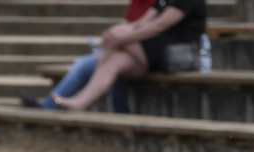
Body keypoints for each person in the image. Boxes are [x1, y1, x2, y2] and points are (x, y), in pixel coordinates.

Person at [52, 0, 207, 111]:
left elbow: (158, 26)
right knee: (115, 61)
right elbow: (140, 23)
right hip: (156, 51)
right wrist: (115, 32)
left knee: (117, 39)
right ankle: (81, 102)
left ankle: (99, 61)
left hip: (176, 54)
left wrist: (122, 38)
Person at [20, 0, 156, 113]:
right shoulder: (137, 2)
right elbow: (127, 25)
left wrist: (120, 37)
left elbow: (149, 29)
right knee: (84, 63)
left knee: (113, 63)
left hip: (143, 53)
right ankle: (48, 105)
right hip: (123, 49)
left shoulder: (159, 4)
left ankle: (118, 112)